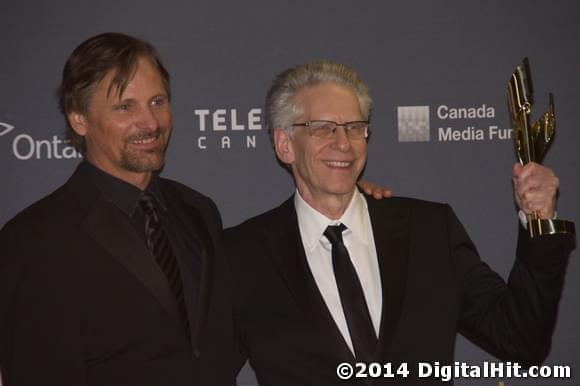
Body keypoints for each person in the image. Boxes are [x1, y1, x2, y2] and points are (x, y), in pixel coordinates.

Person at [225, 60, 575, 386]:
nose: (344, 143)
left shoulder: (430, 230)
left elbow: (519, 339)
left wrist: (540, 222)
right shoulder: (242, 256)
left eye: (355, 127)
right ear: (285, 144)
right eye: (323, 128)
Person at [0, 32, 236, 386]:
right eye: (125, 107)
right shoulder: (33, 239)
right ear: (78, 118)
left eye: (157, 101)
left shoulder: (198, 211)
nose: (151, 123)